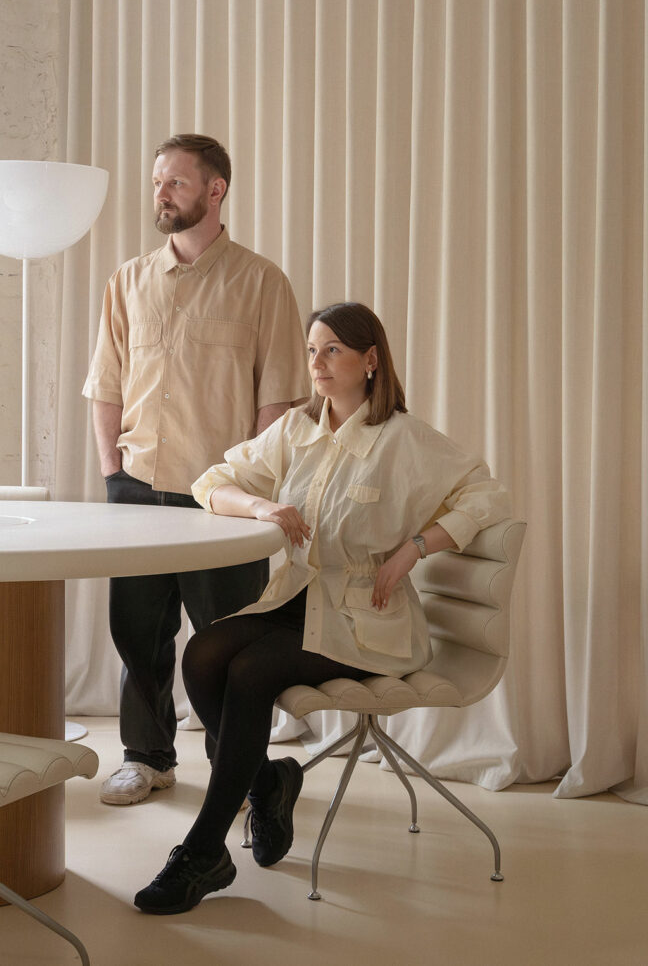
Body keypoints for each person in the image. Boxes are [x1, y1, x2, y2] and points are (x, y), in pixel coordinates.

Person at [133, 300, 511, 914]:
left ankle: (204, 852)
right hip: (292, 599)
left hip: (366, 620)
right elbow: (212, 481)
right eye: (312, 351)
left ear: (370, 360)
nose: (317, 364)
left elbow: (487, 493)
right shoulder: (294, 430)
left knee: (251, 673)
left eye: (332, 349)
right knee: (203, 655)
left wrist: (414, 549)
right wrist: (262, 508)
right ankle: (267, 782)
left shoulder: (405, 440)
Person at [83, 133, 310, 807]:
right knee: (139, 637)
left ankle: (234, 768)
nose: (161, 194)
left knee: (229, 644)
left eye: (176, 183)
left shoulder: (262, 282)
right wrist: (111, 474)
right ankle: (146, 758)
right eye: (157, 183)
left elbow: (278, 397)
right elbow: (106, 385)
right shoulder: (127, 281)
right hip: (137, 491)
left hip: (223, 499)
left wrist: (247, 485)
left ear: (216, 191)